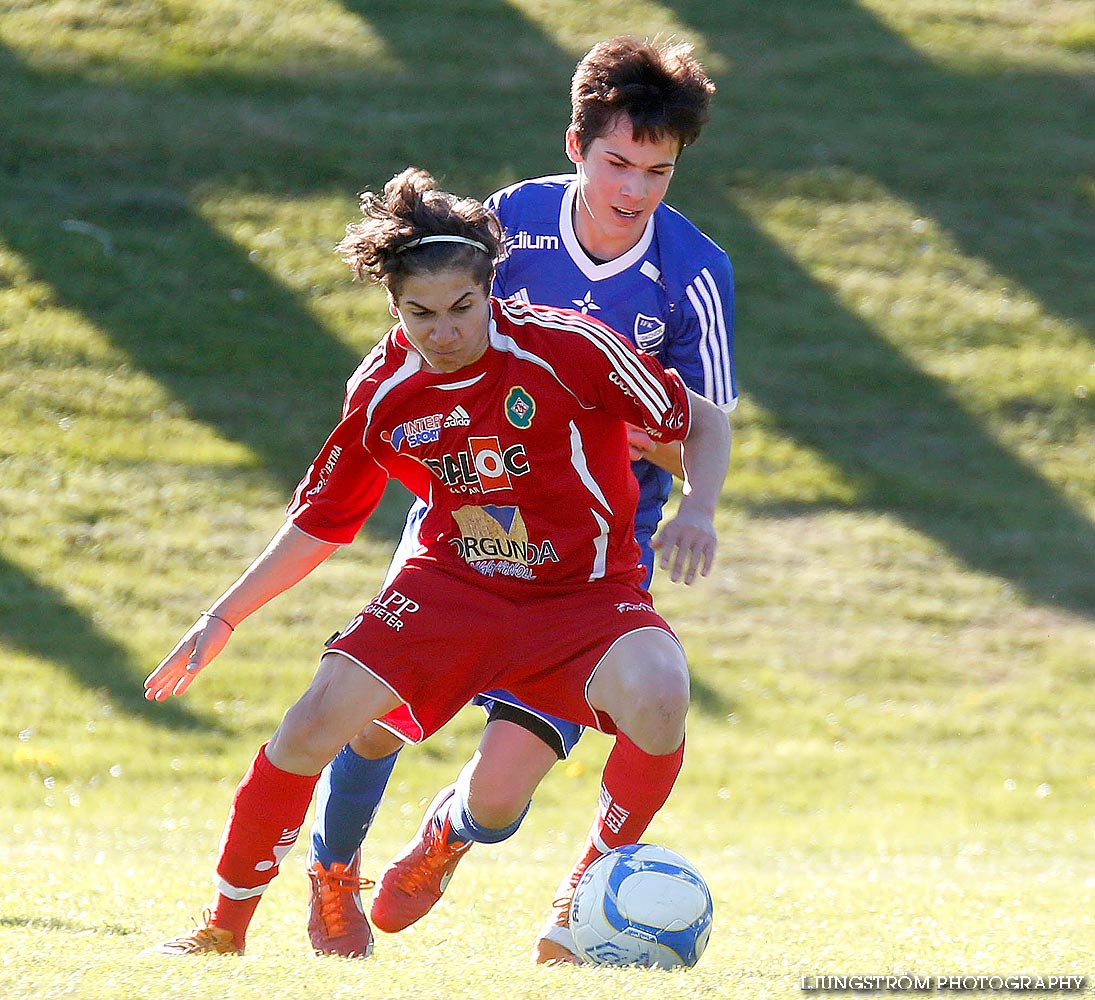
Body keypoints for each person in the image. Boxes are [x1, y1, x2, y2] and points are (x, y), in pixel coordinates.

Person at [142, 165, 732, 958]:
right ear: (395, 309)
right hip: (453, 586)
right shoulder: (383, 388)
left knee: (657, 699)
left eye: (462, 308)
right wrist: (221, 617)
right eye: (421, 313)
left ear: (491, 291)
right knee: (314, 722)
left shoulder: (568, 346)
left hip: (583, 597)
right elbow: (320, 522)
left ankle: (579, 896)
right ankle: (226, 927)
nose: (444, 331)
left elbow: (702, 423)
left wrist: (696, 507)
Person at [308, 36, 736, 965]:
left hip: (589, 561)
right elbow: (432, 327)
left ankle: (449, 838)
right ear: (575, 145)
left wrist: (696, 506)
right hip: (465, 525)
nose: (633, 189)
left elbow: (698, 424)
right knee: (375, 722)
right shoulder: (511, 221)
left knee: (500, 797)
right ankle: (331, 871)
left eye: (657, 171)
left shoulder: (696, 275)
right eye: (616, 162)